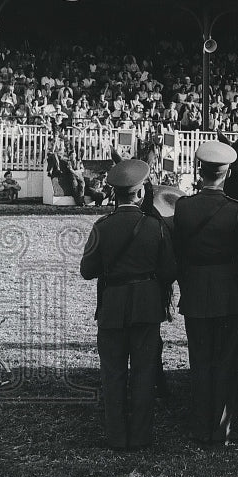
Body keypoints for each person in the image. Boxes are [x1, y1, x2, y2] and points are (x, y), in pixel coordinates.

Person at [79, 159, 177, 450]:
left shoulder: (102, 226)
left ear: (114, 193)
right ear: (142, 194)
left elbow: (87, 270)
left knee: (113, 373)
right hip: (147, 305)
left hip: (111, 305)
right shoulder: (154, 226)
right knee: (145, 372)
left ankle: (117, 437)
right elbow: (170, 271)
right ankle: (141, 436)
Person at [173, 141, 238, 446]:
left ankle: (198, 425)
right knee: (226, 362)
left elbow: (178, 251)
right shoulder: (237, 210)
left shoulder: (184, 206)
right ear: (227, 173)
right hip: (229, 293)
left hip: (194, 291)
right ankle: (221, 429)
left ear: (199, 171)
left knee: (200, 360)